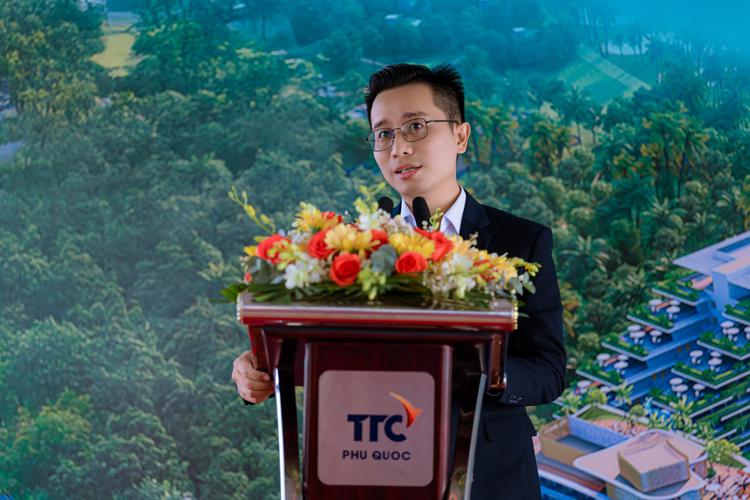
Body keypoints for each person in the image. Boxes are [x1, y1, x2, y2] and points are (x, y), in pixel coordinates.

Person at [232, 63, 567, 499]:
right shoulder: (349, 248)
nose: (399, 147)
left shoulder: (521, 240)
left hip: (489, 474)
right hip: (373, 460)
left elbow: (548, 371)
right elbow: (322, 354)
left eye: (415, 127)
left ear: (460, 136)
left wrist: (487, 372)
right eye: (384, 133)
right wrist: (261, 368)